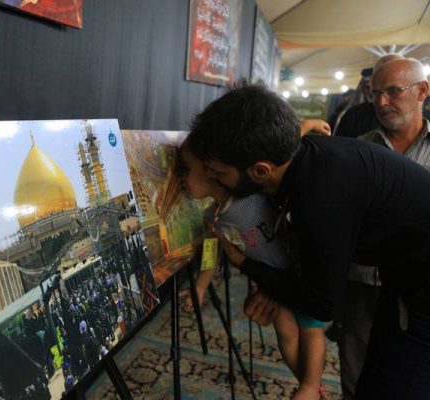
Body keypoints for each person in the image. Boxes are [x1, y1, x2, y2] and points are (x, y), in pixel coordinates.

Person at [188, 81, 430, 399]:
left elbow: (322, 303)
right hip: (402, 277)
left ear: (260, 171)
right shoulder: (304, 157)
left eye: (218, 173)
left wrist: (244, 263)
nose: (212, 177)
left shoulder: (319, 196)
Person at [178, 118, 330, 400]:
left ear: (211, 169)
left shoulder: (250, 191)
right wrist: (199, 286)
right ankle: (309, 385)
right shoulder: (212, 217)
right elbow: (211, 251)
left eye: (185, 169)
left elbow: (275, 153)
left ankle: (310, 385)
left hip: (301, 272)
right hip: (272, 281)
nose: (180, 179)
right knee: (285, 329)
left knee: (310, 328)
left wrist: (306, 125)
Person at [336, 57, 430, 399]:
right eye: (374, 93)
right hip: (362, 284)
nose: (381, 101)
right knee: (356, 372)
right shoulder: (356, 152)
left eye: (393, 91)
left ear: (422, 91)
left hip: (422, 292)